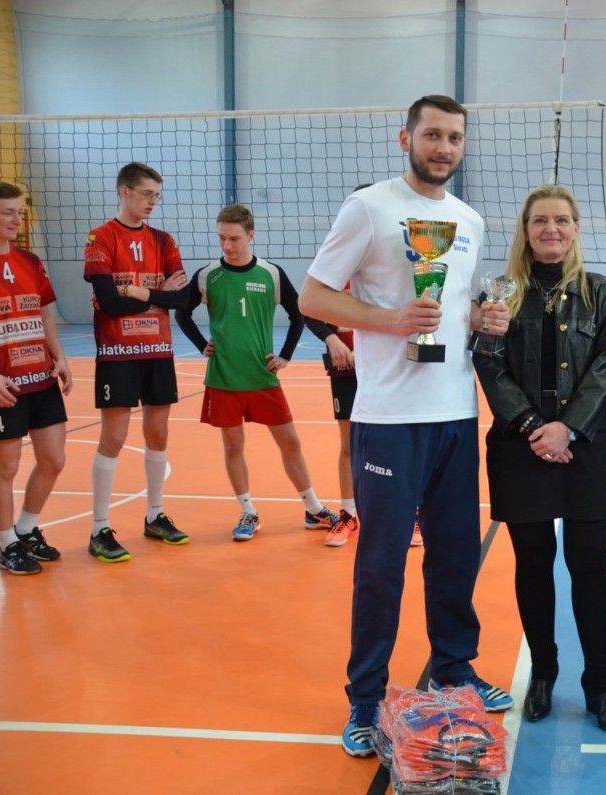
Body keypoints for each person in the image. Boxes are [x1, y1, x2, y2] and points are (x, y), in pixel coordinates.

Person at [298, 95, 515, 758]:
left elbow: (458, 305)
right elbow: (313, 296)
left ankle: (454, 666)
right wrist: (389, 321)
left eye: (454, 138)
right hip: (390, 418)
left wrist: (483, 317)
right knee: (382, 565)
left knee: (455, 555)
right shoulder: (369, 207)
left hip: (455, 414)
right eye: (432, 135)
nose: (443, 148)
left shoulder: (469, 220)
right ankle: (366, 696)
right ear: (406, 138)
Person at [474, 185, 606, 733]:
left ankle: (600, 684)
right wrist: (533, 428)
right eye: (540, 220)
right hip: (520, 448)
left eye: (561, 220)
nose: (551, 229)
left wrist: (568, 429)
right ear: (526, 229)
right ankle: (543, 673)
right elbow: (489, 363)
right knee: (533, 563)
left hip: (584, 447)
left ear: (576, 229)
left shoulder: (603, 295)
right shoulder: (500, 293)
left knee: (590, 564)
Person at [175, 204, 339, 541]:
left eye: (234, 238)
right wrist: (201, 344)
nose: (227, 245)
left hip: (263, 376)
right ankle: (248, 512)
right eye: (222, 238)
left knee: (290, 442)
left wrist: (285, 356)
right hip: (224, 377)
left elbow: (300, 312)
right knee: (233, 446)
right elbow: (182, 313)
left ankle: (313, 508)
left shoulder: (271, 273)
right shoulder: (208, 275)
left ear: (251, 235)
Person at [83, 162, 190, 563]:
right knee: (114, 437)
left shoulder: (163, 240)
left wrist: (136, 291)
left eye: (156, 195)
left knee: (158, 433)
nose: (152, 202)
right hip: (117, 352)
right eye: (146, 194)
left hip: (158, 349)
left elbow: (183, 299)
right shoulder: (101, 237)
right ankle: (99, 527)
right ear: (124, 191)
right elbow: (108, 303)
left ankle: (154, 515)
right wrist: (157, 293)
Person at [310, 183, 423, 549]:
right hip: (347, 368)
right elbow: (309, 307)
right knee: (350, 444)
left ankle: (413, 512)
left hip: (393, 368)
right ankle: (348, 513)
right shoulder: (334, 263)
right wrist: (330, 339)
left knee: (406, 442)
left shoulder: (401, 264)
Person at [0, 180, 72, 575]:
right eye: (8, 212)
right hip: (1, 384)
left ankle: (25, 529)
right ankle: (7, 545)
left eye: (19, 212)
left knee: (53, 459)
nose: (17, 220)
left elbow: (42, 313)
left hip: (40, 377)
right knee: (5, 468)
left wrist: (60, 357)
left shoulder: (30, 262)